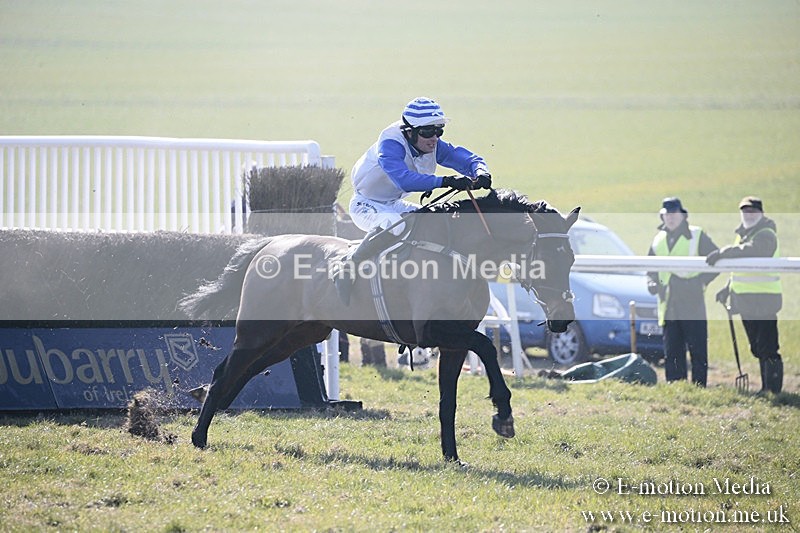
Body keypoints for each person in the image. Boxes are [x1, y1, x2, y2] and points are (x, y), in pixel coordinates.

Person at [335, 96, 492, 304]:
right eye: (428, 132)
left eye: (439, 130)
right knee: (394, 226)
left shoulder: (431, 144)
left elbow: (464, 157)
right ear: (409, 132)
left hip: (392, 203)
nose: (434, 138)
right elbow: (404, 180)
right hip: (366, 204)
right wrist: (446, 181)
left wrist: (481, 172)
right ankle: (349, 265)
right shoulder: (390, 144)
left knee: (429, 222)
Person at [706, 196, 783, 393]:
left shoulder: (766, 234)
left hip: (764, 299)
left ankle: (772, 390)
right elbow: (741, 266)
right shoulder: (743, 235)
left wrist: (723, 252)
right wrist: (727, 288)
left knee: (767, 347)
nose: (748, 215)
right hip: (745, 300)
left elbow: (754, 251)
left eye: (752, 211)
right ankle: (768, 387)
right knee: (757, 347)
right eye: (744, 211)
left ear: (761, 213)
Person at [647, 197, 718, 386]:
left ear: (682, 215)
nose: (670, 217)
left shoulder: (697, 235)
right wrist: (652, 283)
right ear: (662, 216)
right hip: (668, 301)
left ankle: (698, 387)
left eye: (674, 213)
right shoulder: (658, 239)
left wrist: (701, 283)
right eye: (666, 214)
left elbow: (716, 260)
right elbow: (650, 269)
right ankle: (676, 387)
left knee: (697, 348)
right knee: (672, 349)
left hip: (692, 299)